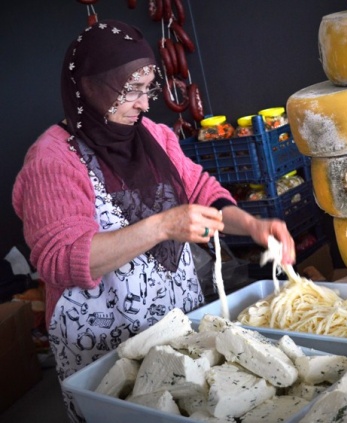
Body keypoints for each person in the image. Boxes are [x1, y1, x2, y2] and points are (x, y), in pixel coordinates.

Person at [12, 19, 295, 421]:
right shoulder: (53, 160)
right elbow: (60, 259)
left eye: (148, 90)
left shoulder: (155, 136)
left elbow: (201, 190)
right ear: (91, 88)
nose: (145, 104)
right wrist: (163, 226)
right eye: (130, 92)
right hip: (102, 342)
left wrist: (251, 226)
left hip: (179, 326)